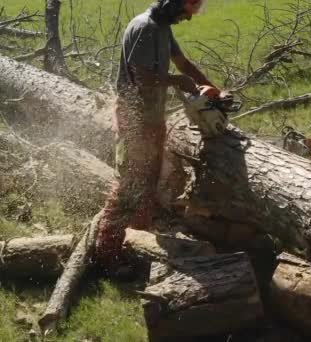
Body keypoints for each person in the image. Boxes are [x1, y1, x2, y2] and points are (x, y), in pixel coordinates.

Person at [96, 0, 228, 274]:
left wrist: (213, 89)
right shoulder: (144, 28)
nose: (187, 19)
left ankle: (136, 238)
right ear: (172, 4)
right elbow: (142, 77)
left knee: (150, 179)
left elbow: (183, 63)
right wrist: (177, 82)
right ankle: (107, 255)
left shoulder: (162, 27)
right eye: (185, 13)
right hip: (135, 116)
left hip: (154, 115)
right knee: (132, 182)